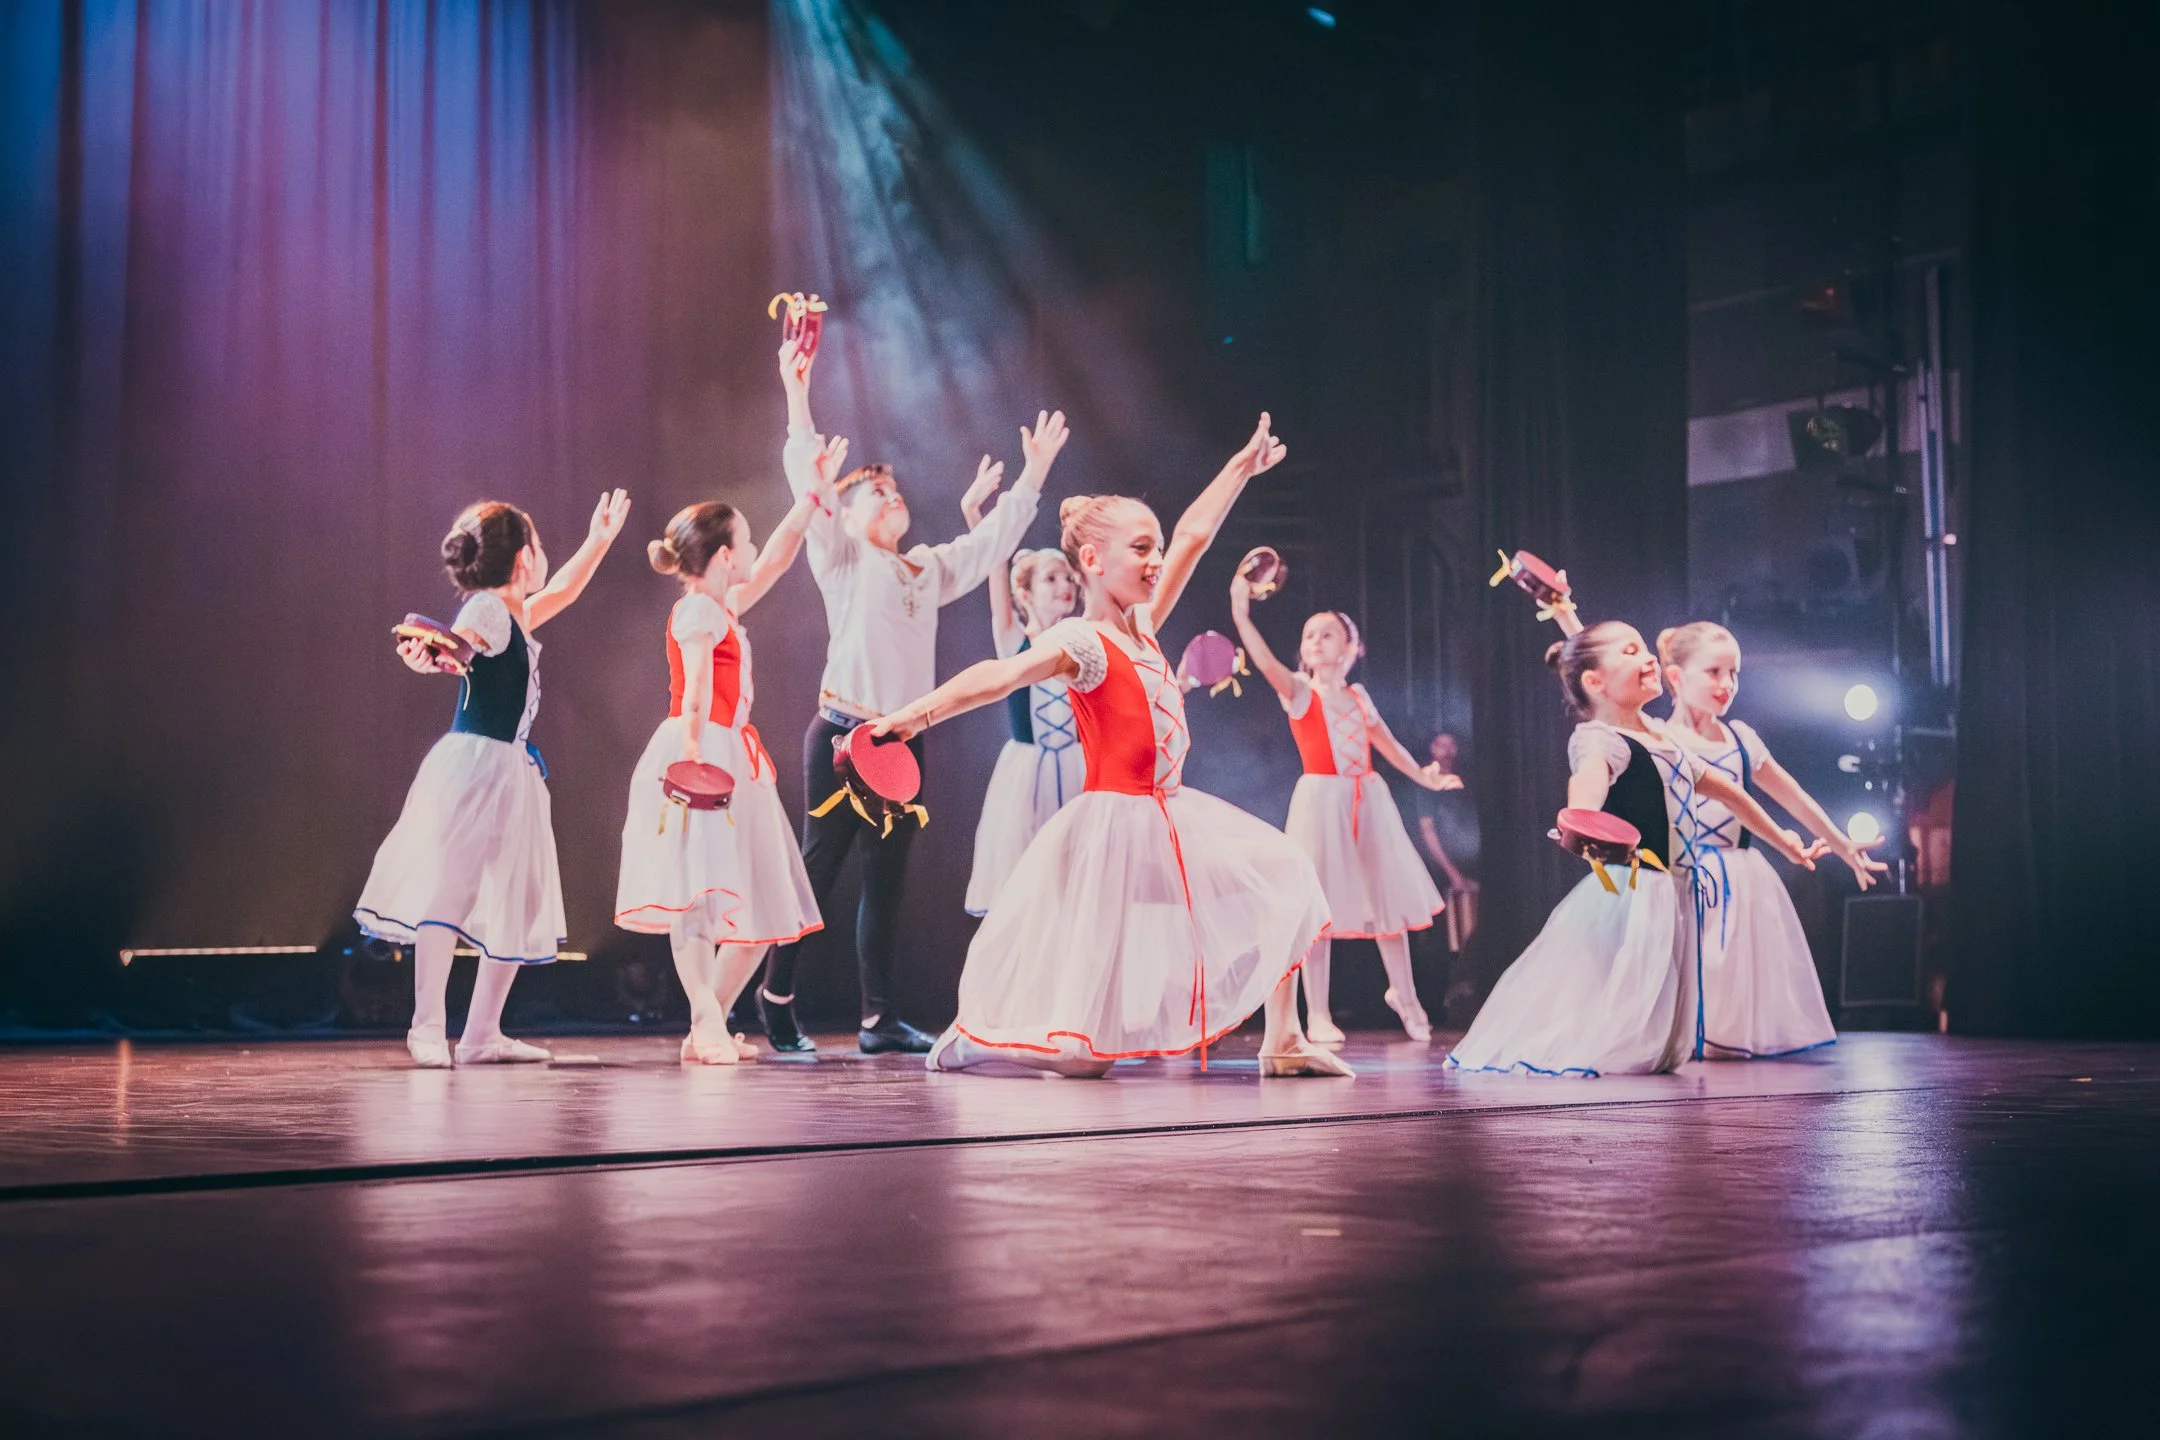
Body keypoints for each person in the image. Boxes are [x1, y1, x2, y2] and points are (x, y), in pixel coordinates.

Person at [873, 414, 1351, 1079]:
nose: (1156, 560)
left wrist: (1241, 466)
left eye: (1156, 548)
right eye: (1141, 548)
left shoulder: (1144, 628)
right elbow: (999, 676)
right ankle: (977, 1042)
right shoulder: (1081, 641)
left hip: (1168, 819)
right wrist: (910, 717)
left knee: (1285, 873)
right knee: (1082, 1060)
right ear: (1094, 562)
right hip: (1111, 834)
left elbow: (1194, 535)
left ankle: (1285, 1039)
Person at [760, 333, 1070, 1054]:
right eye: (877, 492)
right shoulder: (842, 557)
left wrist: (1033, 474)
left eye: (896, 490)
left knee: (887, 881)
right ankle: (775, 998)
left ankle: (877, 1018)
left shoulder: (925, 568)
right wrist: (797, 392)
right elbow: (808, 479)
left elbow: (988, 547)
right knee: (817, 872)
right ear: (846, 513)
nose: (893, 496)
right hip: (842, 735)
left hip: (901, 742)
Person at [1446, 621, 1823, 1077]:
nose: (1647, 658)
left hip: (1678, 887)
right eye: (1630, 651)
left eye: (1644, 648)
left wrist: (1782, 840)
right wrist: (1580, 816)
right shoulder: (1601, 738)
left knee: (1662, 1018)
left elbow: (1732, 794)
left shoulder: (1665, 740)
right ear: (1595, 682)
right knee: (1620, 996)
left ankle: (1651, 1052)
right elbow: (1588, 777)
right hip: (1639, 888)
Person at [357, 490, 633, 1067]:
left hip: (510, 767)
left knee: (519, 898)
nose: (543, 555)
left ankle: (482, 1033)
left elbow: (564, 591)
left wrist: (599, 539)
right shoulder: (486, 608)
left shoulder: (513, 611)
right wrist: (435, 657)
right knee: (455, 887)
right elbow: (463, 647)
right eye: (539, 543)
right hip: (478, 764)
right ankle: (427, 1026)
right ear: (524, 558)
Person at [613, 461, 837, 1063]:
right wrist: (692, 753)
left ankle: (706, 1023)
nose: (754, 549)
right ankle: (707, 1023)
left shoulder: (724, 605)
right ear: (724, 554)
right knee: (696, 897)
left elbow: (779, 560)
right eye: (747, 539)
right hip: (703, 750)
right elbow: (694, 689)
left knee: (761, 908)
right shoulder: (698, 610)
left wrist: (810, 499)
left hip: (735, 752)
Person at [1228, 583, 1460, 1043]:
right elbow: (1267, 663)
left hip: (1368, 799)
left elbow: (1387, 744)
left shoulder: (1358, 696)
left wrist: (1424, 777)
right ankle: (1318, 1013)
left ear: (1352, 648)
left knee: (1387, 896)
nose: (1316, 641)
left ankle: (1405, 995)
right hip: (1320, 803)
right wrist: (1241, 614)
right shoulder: (1299, 691)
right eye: (1309, 635)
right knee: (1318, 905)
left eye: (1327, 634)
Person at [1657, 621, 1886, 1058]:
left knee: (1730, 967)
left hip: (1739, 872)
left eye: (1733, 673)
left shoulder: (1740, 738)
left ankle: (1720, 1043)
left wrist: (1840, 843)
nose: (1727, 684)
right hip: (1682, 870)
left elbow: (1793, 797)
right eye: (1714, 672)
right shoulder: (1661, 738)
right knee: (1688, 960)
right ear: (1676, 676)